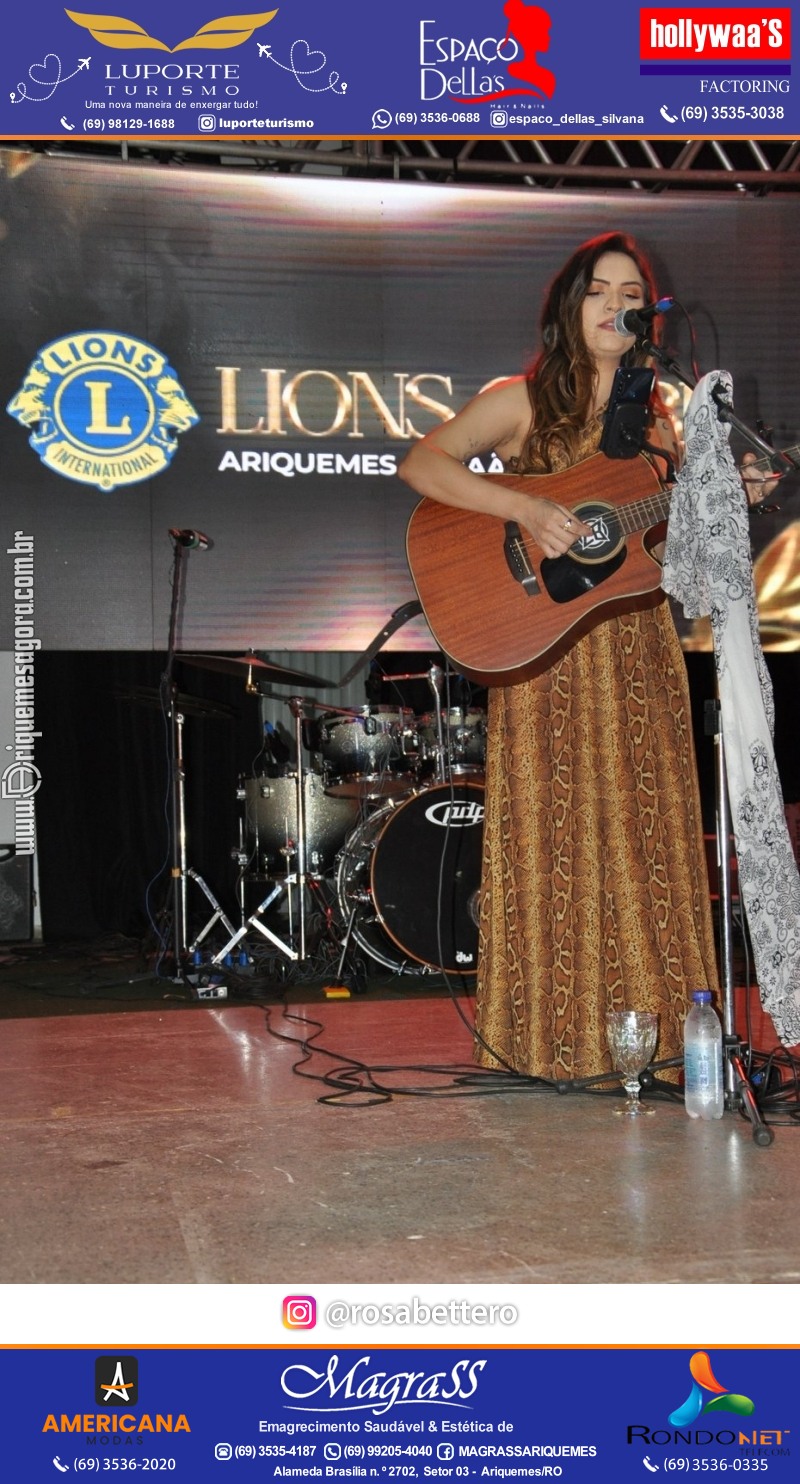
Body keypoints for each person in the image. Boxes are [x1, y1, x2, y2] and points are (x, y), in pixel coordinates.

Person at [398, 231, 775, 1085]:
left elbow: (669, 541)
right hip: (542, 650)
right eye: (599, 289)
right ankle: (551, 1044)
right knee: (554, 835)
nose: (617, 304)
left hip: (639, 641)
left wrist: (728, 497)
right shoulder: (520, 399)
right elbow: (420, 464)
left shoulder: (668, 419)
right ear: (570, 306)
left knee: (649, 833)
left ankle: (666, 1043)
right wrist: (525, 508)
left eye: (631, 292)